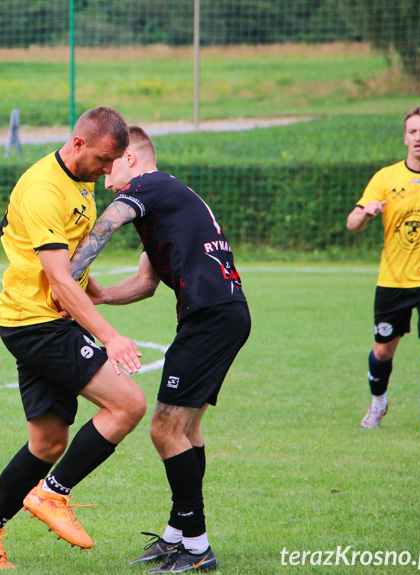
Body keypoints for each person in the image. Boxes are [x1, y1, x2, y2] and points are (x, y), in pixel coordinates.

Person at [0, 106, 147, 570]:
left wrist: (92, 289)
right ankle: (52, 495)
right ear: (79, 143)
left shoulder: (80, 176)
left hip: (41, 319)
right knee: (128, 405)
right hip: (38, 322)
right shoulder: (44, 187)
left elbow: (72, 265)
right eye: (104, 160)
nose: (108, 171)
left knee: (47, 443)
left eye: (115, 162)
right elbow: (58, 280)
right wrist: (111, 336)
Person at [68, 126, 250, 573]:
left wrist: (66, 275)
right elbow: (147, 283)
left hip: (209, 316)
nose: (106, 178)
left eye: (110, 167)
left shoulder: (147, 186)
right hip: (220, 313)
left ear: (131, 158)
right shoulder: (169, 199)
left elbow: (107, 224)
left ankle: (198, 547)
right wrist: (99, 294)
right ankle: (177, 536)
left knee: (163, 429)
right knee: (185, 431)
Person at [346, 107, 420, 439]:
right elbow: (352, 223)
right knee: (383, 350)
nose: (418, 138)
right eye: (413, 132)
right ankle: (378, 403)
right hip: (393, 280)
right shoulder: (386, 178)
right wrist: (367, 213)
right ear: (405, 137)